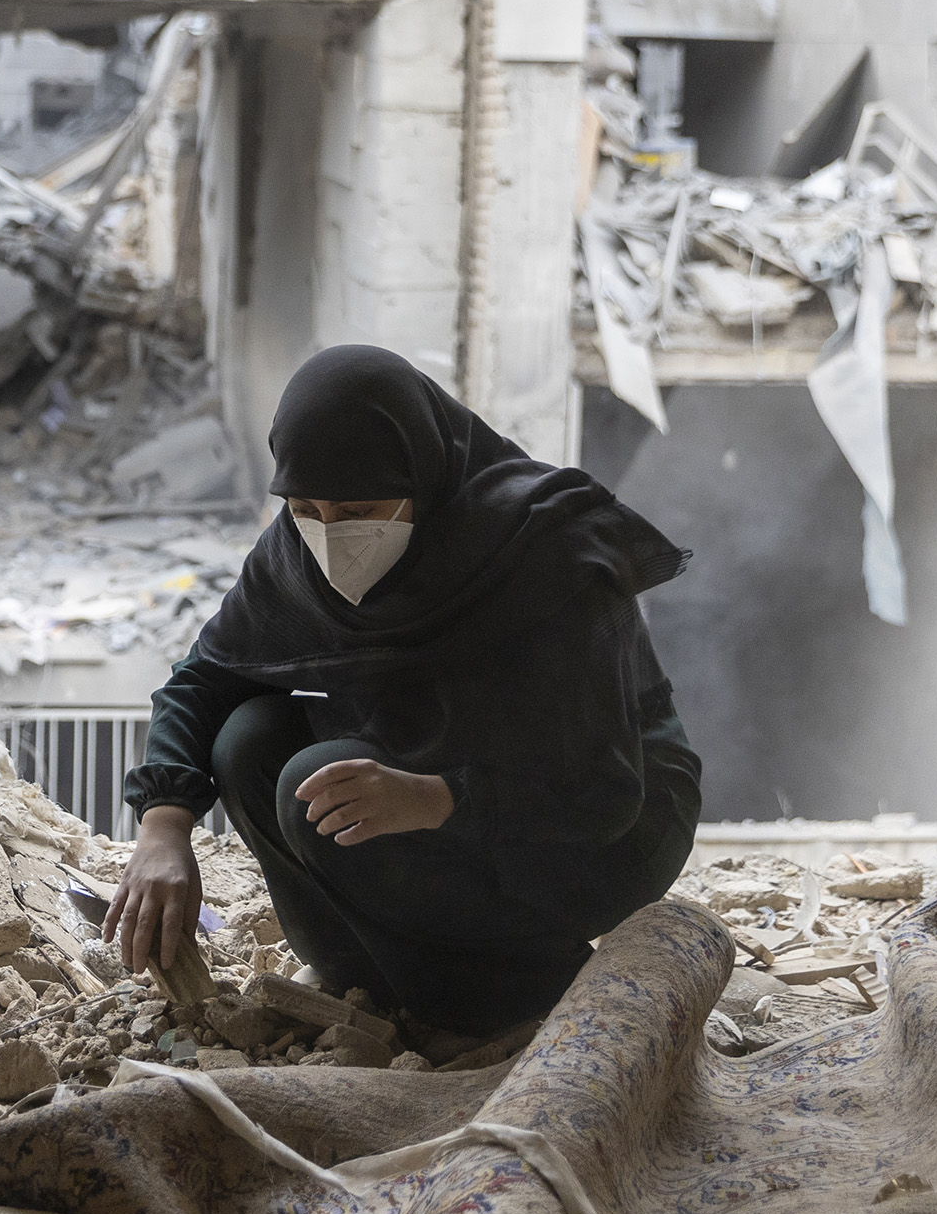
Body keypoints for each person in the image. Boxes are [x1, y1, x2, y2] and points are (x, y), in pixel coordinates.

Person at [102, 344, 701, 1040]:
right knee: (247, 739)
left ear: (423, 472)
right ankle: (371, 979)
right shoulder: (296, 554)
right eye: (305, 507)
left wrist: (438, 798)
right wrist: (163, 826)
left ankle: (515, 991)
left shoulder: (546, 553)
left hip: (608, 823)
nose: (332, 535)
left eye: (361, 507)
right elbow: (203, 677)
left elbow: (605, 793)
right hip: (427, 764)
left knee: (314, 783)